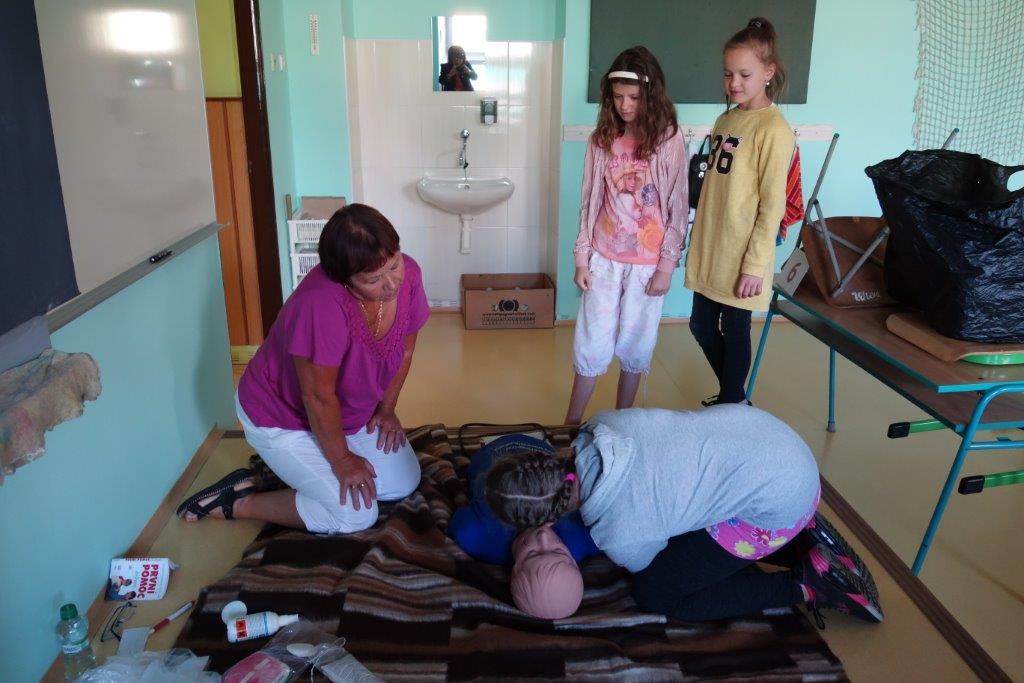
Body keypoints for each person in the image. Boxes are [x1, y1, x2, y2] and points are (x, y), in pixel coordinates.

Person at [486, 405, 883, 624]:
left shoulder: (618, 532)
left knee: (656, 591)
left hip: (781, 501)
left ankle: (806, 583)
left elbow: (653, 556)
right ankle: (802, 535)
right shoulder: (603, 424)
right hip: (779, 443)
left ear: (546, 522)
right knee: (684, 501)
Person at [176, 204, 429, 534]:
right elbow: (317, 397)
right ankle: (238, 501)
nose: (392, 283)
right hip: (283, 417)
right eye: (373, 279)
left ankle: (298, 472)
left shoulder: (409, 275)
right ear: (345, 278)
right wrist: (342, 461)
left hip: (346, 412)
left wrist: (386, 409)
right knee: (356, 515)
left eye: (394, 265)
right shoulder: (320, 305)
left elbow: (406, 350)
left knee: (401, 483)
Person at [566, 46, 687, 425]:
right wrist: (582, 258)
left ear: (651, 95)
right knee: (591, 340)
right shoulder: (601, 139)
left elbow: (678, 206)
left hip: (647, 265)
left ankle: (623, 422)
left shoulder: (668, 139)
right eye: (618, 97)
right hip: (603, 259)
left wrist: (666, 266)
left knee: (636, 344)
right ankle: (570, 423)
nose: (625, 105)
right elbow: (588, 201)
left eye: (633, 97)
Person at [685, 18, 797, 405]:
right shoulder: (726, 119)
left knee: (735, 329)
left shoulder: (774, 129)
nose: (734, 83)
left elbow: (772, 205)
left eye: (744, 74)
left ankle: (731, 402)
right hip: (713, 248)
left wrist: (754, 265)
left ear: (768, 72)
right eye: (727, 73)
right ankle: (737, 400)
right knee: (700, 325)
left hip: (744, 255)